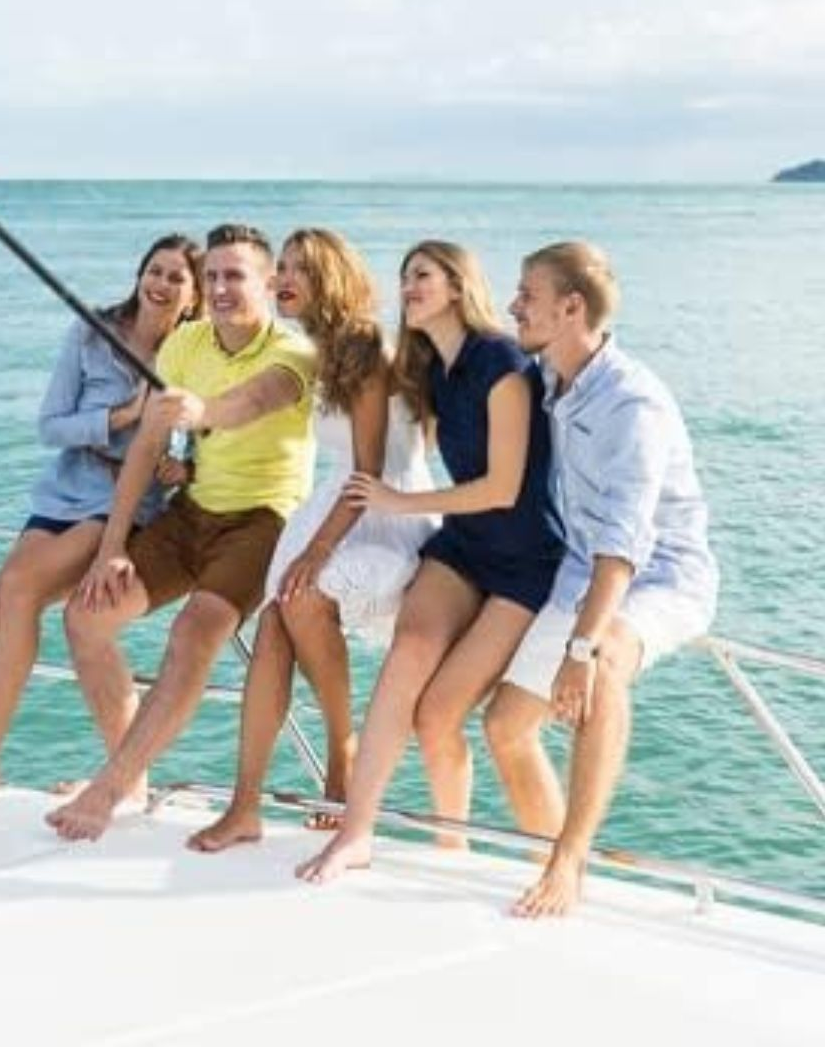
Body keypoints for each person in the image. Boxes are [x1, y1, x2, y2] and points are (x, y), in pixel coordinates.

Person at [0, 235, 203, 813]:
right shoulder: (91, 334)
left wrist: (183, 466)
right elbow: (51, 426)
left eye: (177, 277)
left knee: (17, 588)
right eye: (155, 269)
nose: (162, 283)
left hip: (123, 502)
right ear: (139, 273)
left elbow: (204, 440)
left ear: (193, 295)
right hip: (64, 488)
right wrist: (125, 414)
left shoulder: (191, 354)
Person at [298, 239, 563, 884]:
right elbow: (358, 376)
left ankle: (552, 864)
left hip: (524, 561)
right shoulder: (430, 370)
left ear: (456, 285)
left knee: (438, 714)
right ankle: (359, 832)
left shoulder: (501, 361)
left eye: (422, 275)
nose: (409, 286)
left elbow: (503, 487)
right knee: (409, 649)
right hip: (464, 546)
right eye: (404, 277)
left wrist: (398, 499)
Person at [46, 223, 318, 841]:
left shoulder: (294, 352)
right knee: (84, 617)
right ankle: (132, 774)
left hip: (263, 520)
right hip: (191, 511)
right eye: (213, 275)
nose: (221, 287)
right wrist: (110, 550)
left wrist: (204, 412)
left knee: (193, 632)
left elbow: (255, 401)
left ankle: (108, 788)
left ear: (270, 284)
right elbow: (145, 447)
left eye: (236, 276)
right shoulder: (186, 344)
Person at [483, 241, 719, 917]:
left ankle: (569, 857)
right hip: (580, 571)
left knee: (606, 659)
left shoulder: (631, 404)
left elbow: (625, 545)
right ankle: (551, 866)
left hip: (662, 577)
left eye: (527, 295)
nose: (514, 305)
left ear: (571, 307)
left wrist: (581, 651)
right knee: (506, 726)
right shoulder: (552, 376)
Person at [188, 228, 435, 853]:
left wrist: (316, 550)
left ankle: (340, 751)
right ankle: (244, 805)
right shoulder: (318, 349)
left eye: (298, 268)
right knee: (274, 624)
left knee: (300, 596)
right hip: (333, 506)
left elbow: (371, 469)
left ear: (331, 275)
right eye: (282, 268)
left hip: (382, 512)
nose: (281, 279)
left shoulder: (367, 348)